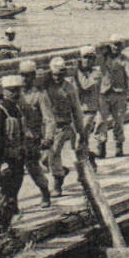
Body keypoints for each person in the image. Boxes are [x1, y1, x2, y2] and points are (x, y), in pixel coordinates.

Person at [0, 74, 34, 231]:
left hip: (17, 157)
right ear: (5, 92)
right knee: (6, 194)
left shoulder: (16, 109)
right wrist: (1, 161)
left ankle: (8, 225)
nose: (15, 94)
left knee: (14, 190)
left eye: (17, 91)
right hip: (5, 160)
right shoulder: (1, 112)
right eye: (11, 91)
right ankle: (3, 227)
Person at [40, 56, 86, 196]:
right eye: (54, 75)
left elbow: (76, 110)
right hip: (47, 126)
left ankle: (57, 183)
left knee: (54, 153)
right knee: (44, 159)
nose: (57, 78)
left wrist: (80, 130)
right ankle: (61, 171)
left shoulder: (69, 88)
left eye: (60, 75)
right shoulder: (45, 85)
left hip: (63, 125)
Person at [12, 60, 55, 209]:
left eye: (27, 76)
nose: (24, 79)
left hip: (32, 138)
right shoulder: (15, 94)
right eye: (22, 76)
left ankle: (45, 192)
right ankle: (13, 201)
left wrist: (48, 138)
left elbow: (49, 118)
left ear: (33, 76)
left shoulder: (39, 96)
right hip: (16, 139)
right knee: (15, 172)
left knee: (33, 169)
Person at [95, 35, 129, 157]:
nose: (116, 47)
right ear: (109, 45)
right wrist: (102, 47)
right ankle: (101, 145)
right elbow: (96, 50)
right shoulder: (102, 58)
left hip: (119, 94)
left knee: (119, 121)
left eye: (118, 44)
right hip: (103, 94)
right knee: (101, 121)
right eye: (114, 44)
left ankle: (119, 145)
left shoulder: (124, 60)